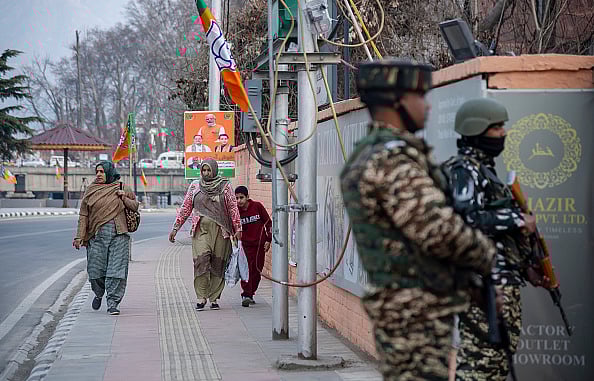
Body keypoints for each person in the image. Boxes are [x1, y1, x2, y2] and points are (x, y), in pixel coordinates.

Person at [339, 59, 497, 380]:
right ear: (396, 102)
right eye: (420, 96)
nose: (426, 105)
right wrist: (487, 257)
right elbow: (439, 231)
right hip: (414, 312)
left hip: (407, 306)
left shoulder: (375, 153)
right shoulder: (392, 160)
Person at [442, 98, 540, 380]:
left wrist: (526, 267)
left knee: (495, 365)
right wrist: (518, 219)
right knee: (479, 367)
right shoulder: (464, 170)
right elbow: (466, 219)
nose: (503, 133)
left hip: (501, 282)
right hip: (483, 285)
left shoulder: (485, 171)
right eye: (497, 128)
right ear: (477, 130)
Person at [169, 158, 242, 310]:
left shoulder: (225, 186)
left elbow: (233, 208)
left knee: (218, 264)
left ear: (214, 170)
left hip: (221, 232)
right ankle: (201, 297)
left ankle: (214, 298)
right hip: (200, 231)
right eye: (204, 170)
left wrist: (237, 229)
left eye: (209, 170)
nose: (206, 173)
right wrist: (175, 228)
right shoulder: (195, 185)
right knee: (201, 261)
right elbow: (186, 207)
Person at [72, 161, 139, 315]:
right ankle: (99, 292)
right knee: (95, 271)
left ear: (109, 172)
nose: (99, 174)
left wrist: (124, 198)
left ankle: (113, 302)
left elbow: (135, 207)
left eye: (102, 172)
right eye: (97, 171)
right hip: (97, 236)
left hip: (119, 235)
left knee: (116, 271)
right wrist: (79, 236)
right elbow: (84, 215)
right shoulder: (91, 190)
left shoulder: (122, 188)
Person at [234, 186, 271, 307]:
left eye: (241, 198)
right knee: (245, 270)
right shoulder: (236, 212)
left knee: (257, 270)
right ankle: (246, 294)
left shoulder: (257, 206)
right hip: (245, 246)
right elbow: (232, 226)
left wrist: (268, 239)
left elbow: (268, 222)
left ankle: (251, 293)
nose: (239, 201)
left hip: (259, 245)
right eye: (237, 198)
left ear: (247, 197)